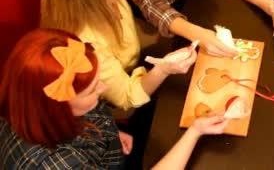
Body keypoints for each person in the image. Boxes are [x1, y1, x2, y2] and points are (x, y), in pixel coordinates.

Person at [0, 29, 228, 169]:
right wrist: (195, 131)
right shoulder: (54, 164)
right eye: (92, 90)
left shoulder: (33, 103)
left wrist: (111, 132)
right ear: (56, 107)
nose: (104, 87)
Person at [40, 0, 196, 111]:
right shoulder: (84, 45)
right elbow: (126, 98)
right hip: (120, 99)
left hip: (134, 57)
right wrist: (163, 69)